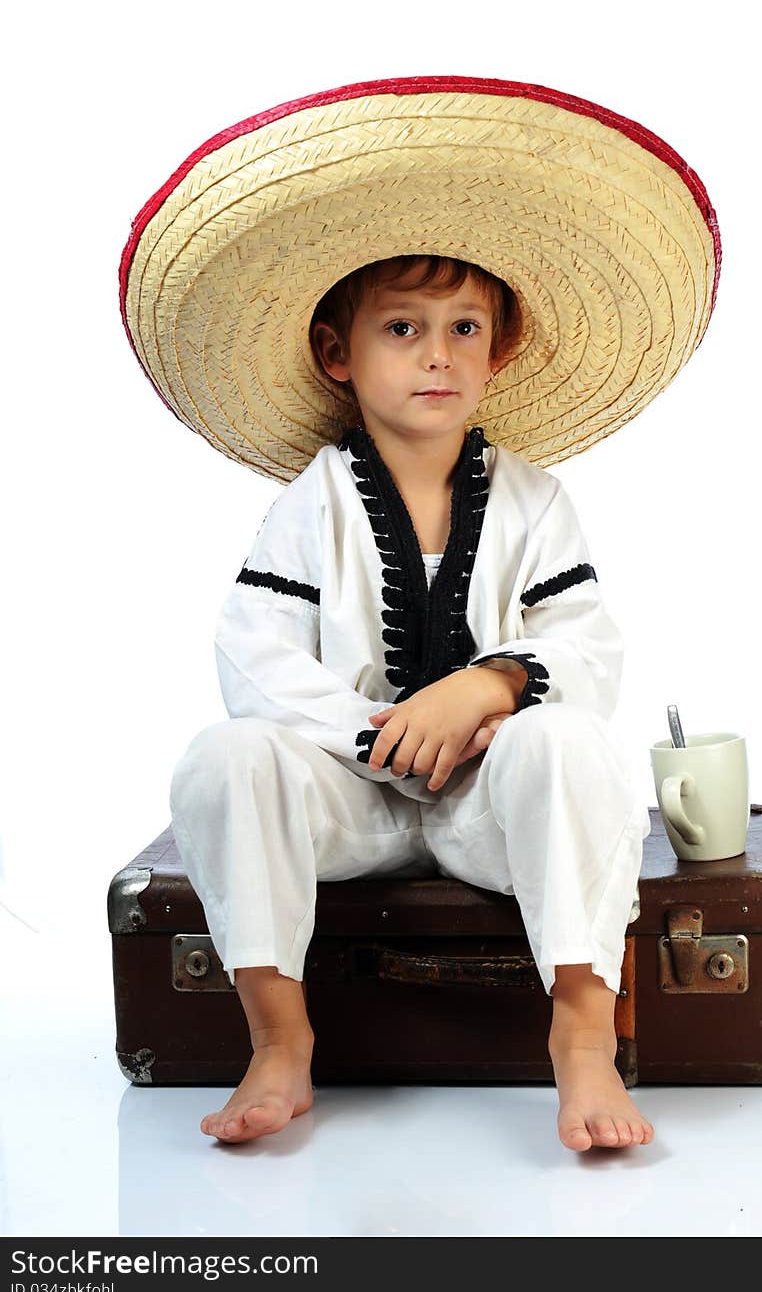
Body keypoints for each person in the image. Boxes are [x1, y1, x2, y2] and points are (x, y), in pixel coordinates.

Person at [120, 76, 720, 1152]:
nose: (436, 353)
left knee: (574, 744)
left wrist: (487, 685)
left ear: (500, 350)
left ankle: (582, 1035)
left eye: (462, 327)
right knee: (223, 757)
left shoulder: (534, 501)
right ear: (337, 354)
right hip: (346, 808)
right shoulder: (309, 506)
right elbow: (253, 657)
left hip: (490, 815)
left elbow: (586, 645)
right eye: (402, 327)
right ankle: (279, 1033)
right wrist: (381, 737)